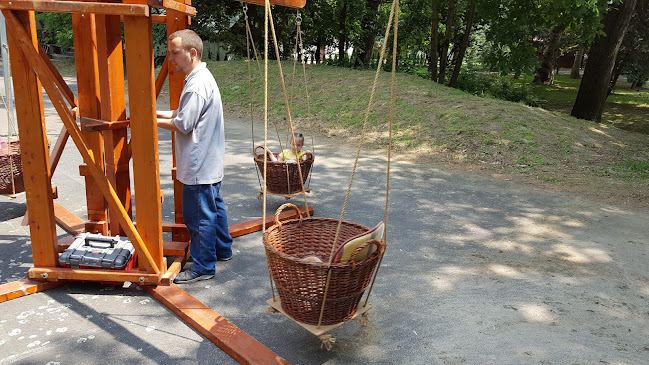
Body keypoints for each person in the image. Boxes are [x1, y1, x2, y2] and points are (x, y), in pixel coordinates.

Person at [156, 29, 233, 284]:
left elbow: (183, 124)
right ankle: (222, 249)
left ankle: (203, 266)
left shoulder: (197, 83)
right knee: (213, 207)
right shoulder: (200, 77)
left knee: (198, 216)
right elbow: (184, 112)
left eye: (175, 53)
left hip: (199, 164)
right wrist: (155, 113)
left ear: (192, 53)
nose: (171, 59)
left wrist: (149, 120)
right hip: (209, 161)